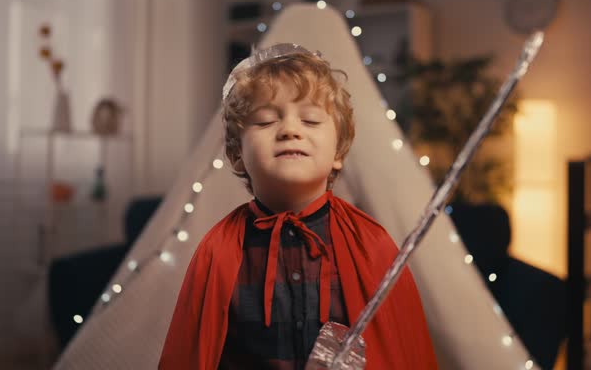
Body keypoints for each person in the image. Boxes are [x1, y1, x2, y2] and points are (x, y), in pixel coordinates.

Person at [158, 44, 438, 370]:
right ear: (237, 155)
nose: (290, 130)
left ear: (338, 152)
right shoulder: (216, 251)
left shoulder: (372, 245)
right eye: (264, 121)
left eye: (310, 120)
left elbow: (402, 354)